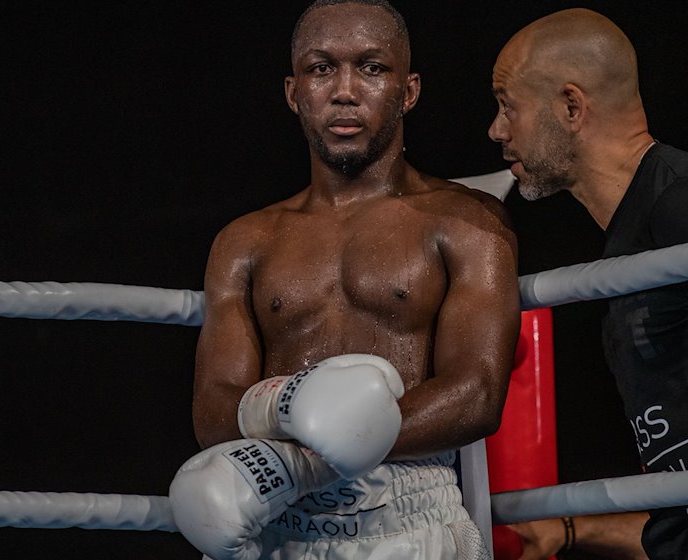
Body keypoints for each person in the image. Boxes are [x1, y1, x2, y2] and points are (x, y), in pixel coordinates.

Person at [169, 1, 521, 559]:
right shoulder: (245, 241)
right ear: (293, 93)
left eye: (372, 67)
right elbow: (213, 405)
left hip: (408, 516)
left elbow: (477, 393)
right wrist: (290, 413)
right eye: (321, 68)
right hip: (276, 520)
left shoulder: (465, 222)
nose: (345, 90)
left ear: (409, 91)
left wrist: (303, 462)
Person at [487, 7, 688, 560]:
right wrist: (572, 530)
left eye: (508, 107)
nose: (497, 130)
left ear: (571, 107)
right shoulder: (633, 237)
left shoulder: (687, 207)